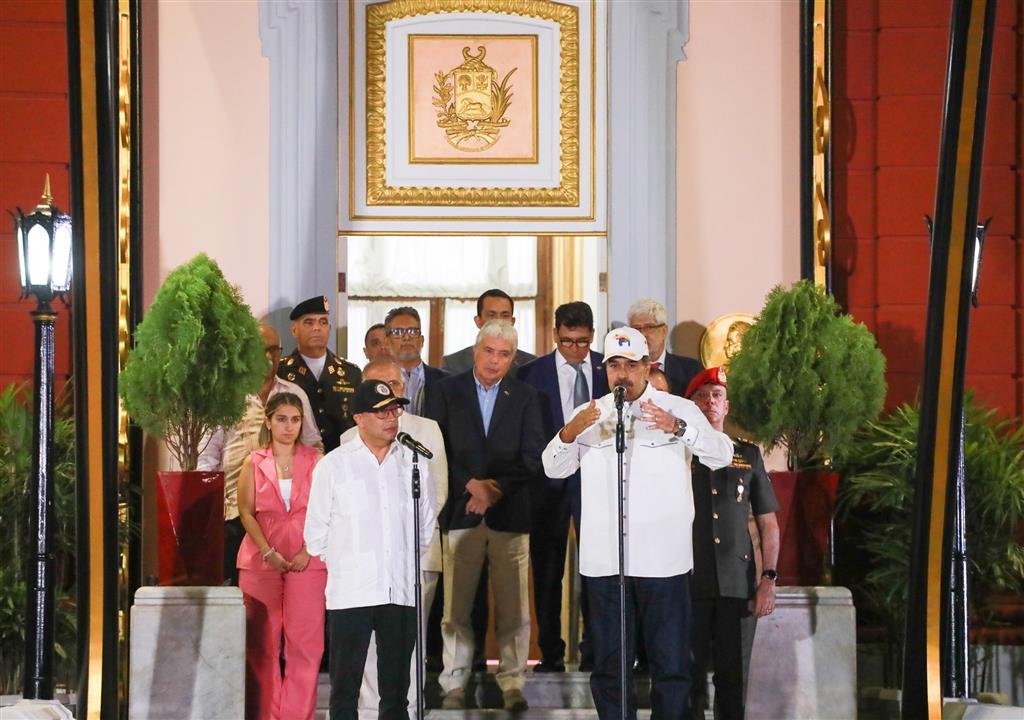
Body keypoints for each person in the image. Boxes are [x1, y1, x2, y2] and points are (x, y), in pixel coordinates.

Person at [542, 327, 733, 720]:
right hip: (605, 564)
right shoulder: (588, 413)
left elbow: (721, 455)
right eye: (615, 365)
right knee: (609, 667)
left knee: (671, 666)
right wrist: (569, 433)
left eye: (631, 365)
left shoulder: (677, 409)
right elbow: (553, 468)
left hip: (664, 563)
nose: (623, 374)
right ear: (605, 370)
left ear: (647, 367)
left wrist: (680, 429)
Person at [426, 320, 546, 711]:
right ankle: (454, 682)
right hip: (461, 514)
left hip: (510, 515)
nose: (495, 361)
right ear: (476, 351)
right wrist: (471, 485)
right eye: (489, 351)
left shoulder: (527, 397)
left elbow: (533, 458)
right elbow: (436, 451)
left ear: (513, 359)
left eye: (504, 354)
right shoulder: (446, 391)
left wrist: (494, 489)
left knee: (514, 610)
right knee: (455, 610)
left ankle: (513, 682)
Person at [304, 380, 435, 720]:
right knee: (344, 695)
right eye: (382, 412)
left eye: (394, 410)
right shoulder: (333, 466)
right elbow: (315, 536)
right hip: (351, 593)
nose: (391, 418)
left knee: (396, 696)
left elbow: (425, 525)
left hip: (400, 589)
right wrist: (350, 561)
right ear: (359, 418)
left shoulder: (414, 463)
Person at [344, 359, 448, 719]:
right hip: (366, 561)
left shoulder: (426, 431)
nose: (387, 394)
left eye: (393, 385)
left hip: (416, 555)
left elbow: (438, 492)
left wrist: (407, 543)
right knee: (370, 643)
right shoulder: (348, 440)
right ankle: (369, 710)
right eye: (378, 386)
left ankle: (411, 708)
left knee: (411, 639)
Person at [517, 301, 609, 672]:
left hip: (597, 485)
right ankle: (551, 653)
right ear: (556, 334)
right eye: (567, 341)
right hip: (547, 486)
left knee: (597, 568)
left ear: (592, 335)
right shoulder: (531, 374)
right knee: (547, 572)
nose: (575, 349)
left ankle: (595, 651)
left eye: (582, 342)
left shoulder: (608, 369)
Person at [684, 367, 780, 720]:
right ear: (690, 405)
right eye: (702, 396)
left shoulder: (747, 455)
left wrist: (768, 578)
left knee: (733, 678)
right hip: (689, 579)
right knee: (688, 678)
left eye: (717, 396)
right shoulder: (679, 452)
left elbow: (769, 523)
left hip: (736, 583)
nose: (710, 402)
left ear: (727, 406)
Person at [199, 322, 322, 585]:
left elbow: (314, 446)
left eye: (274, 350)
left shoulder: (294, 393)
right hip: (235, 512)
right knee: (239, 591)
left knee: (293, 588)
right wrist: (209, 509)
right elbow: (207, 458)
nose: (268, 357)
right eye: (260, 349)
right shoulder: (226, 397)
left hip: (286, 515)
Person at [236, 393, 326, 720]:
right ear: (268, 421)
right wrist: (267, 551)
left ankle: (297, 715)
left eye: (295, 420)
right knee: (261, 644)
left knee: (306, 643)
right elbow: (246, 512)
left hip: (308, 560)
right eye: (282, 419)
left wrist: (308, 550)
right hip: (260, 560)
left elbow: (328, 510)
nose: (289, 427)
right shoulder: (253, 461)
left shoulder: (317, 460)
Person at [279, 295, 362, 452]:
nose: (317, 328)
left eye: (323, 322)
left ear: (329, 329)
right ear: (294, 330)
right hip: (296, 458)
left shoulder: (351, 373)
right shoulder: (281, 371)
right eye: (309, 322)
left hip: (342, 458)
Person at [441, 289, 535, 374]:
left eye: (505, 315)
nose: (498, 321)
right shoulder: (453, 363)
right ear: (478, 321)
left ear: (512, 322)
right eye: (491, 315)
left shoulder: (531, 364)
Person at [627, 298, 702, 397]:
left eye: (649, 327)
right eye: (636, 329)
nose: (642, 334)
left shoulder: (691, 370)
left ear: (664, 331)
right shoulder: (621, 370)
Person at [384, 306, 448, 416]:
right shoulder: (377, 381)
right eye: (398, 332)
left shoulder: (446, 381)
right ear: (386, 342)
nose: (407, 337)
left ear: (422, 340)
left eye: (413, 331)